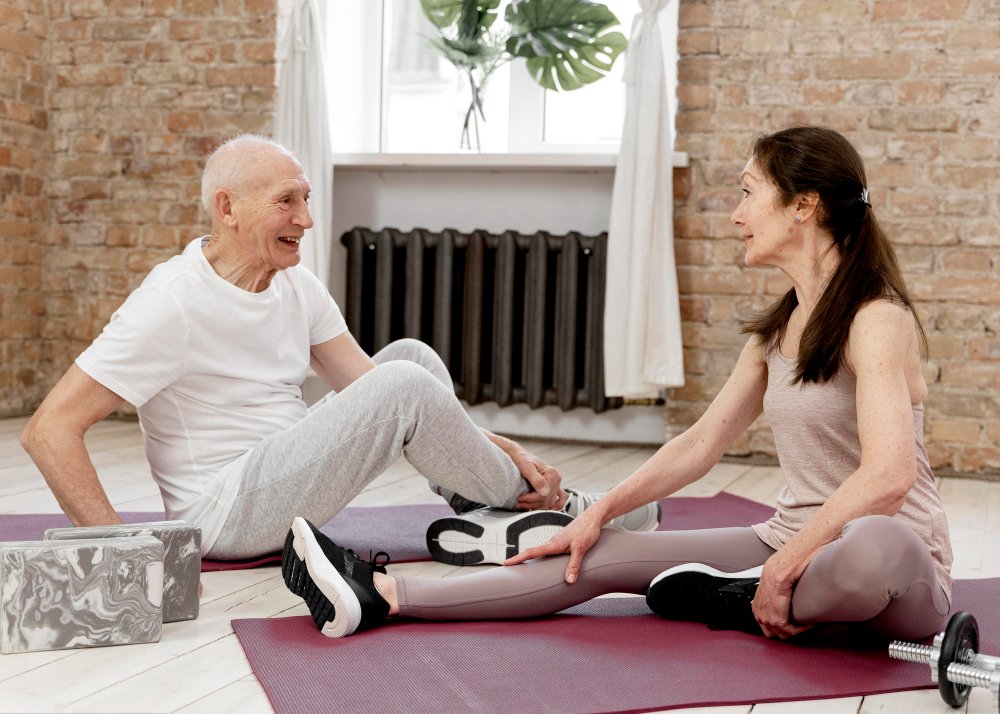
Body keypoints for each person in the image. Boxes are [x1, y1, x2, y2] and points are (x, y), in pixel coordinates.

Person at [280, 126, 954, 643]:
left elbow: (889, 475)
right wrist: (596, 513)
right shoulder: (777, 330)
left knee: (870, 548)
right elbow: (701, 442)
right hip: (790, 540)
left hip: (896, 566)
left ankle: (743, 599)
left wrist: (788, 565)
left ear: (804, 205)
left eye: (749, 192)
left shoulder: (876, 318)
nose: (736, 213)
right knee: (596, 552)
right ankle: (385, 594)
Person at [19, 135, 659, 563]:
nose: (306, 218)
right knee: (403, 385)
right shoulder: (172, 302)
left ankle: (489, 511)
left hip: (284, 479)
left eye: (305, 198)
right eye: (286, 202)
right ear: (228, 209)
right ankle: (559, 510)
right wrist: (126, 556)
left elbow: (370, 383)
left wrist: (506, 445)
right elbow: (50, 429)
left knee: (409, 361)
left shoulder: (294, 283)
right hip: (224, 516)